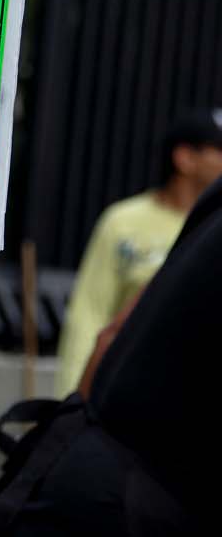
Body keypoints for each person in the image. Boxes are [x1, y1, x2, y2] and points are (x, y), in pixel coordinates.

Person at [0, 172, 222, 536]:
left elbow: (112, 335)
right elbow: (96, 321)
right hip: (140, 500)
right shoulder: (125, 219)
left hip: (78, 464)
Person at [54, 107, 222, 396]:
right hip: (118, 394)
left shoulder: (214, 231)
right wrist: (71, 400)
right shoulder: (123, 221)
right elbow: (90, 313)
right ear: (185, 158)